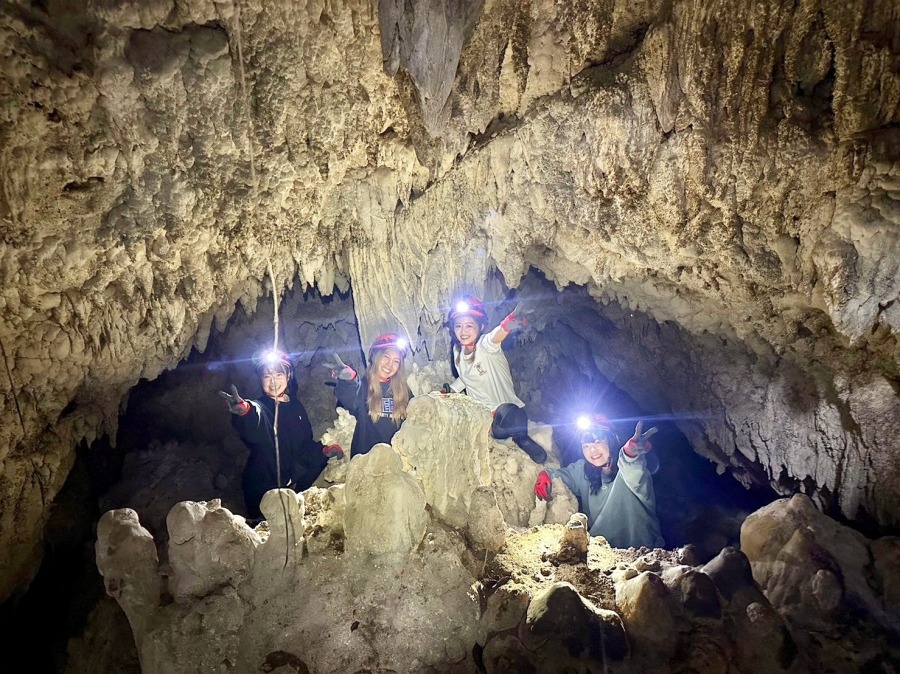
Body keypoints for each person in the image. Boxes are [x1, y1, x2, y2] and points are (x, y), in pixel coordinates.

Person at [219, 348, 342, 520]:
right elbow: (255, 420)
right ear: (261, 380)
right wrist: (245, 411)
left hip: (288, 483)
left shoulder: (296, 407)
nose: (273, 381)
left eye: (278, 375)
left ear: (288, 377)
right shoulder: (261, 406)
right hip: (262, 486)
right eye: (267, 376)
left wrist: (323, 452)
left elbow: (303, 445)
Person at [534, 415, 664, 549]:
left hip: (641, 553)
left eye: (598, 442)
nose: (592, 450)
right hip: (602, 554)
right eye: (586, 445)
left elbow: (634, 469)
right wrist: (545, 474)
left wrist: (630, 454)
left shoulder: (628, 470)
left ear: (612, 441)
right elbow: (563, 475)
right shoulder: (583, 470)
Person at [446, 296, 548, 464]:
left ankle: (522, 438)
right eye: (458, 326)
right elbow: (465, 377)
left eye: (469, 325)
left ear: (481, 327)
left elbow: (497, 335)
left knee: (509, 413)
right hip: (482, 417)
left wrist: (508, 323)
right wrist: (449, 390)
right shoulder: (457, 350)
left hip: (505, 415)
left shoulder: (486, 346)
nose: (463, 331)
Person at [323, 333, 413, 457]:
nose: (389, 365)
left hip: (395, 460)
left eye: (396, 361)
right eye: (386, 357)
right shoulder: (363, 387)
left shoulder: (404, 392)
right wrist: (350, 379)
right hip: (366, 461)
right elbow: (350, 397)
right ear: (376, 356)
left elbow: (415, 419)